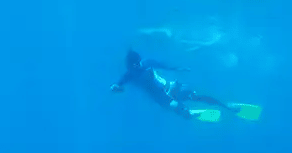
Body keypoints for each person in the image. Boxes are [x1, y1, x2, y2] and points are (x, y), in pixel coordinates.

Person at [110, 50, 260, 122]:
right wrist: (116, 88)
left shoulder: (146, 63)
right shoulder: (129, 75)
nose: (138, 66)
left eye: (138, 63)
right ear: (130, 66)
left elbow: (164, 66)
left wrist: (178, 68)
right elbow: (118, 84)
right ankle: (189, 113)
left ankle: (227, 106)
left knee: (196, 95)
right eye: (135, 65)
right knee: (177, 107)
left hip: (170, 87)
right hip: (162, 98)